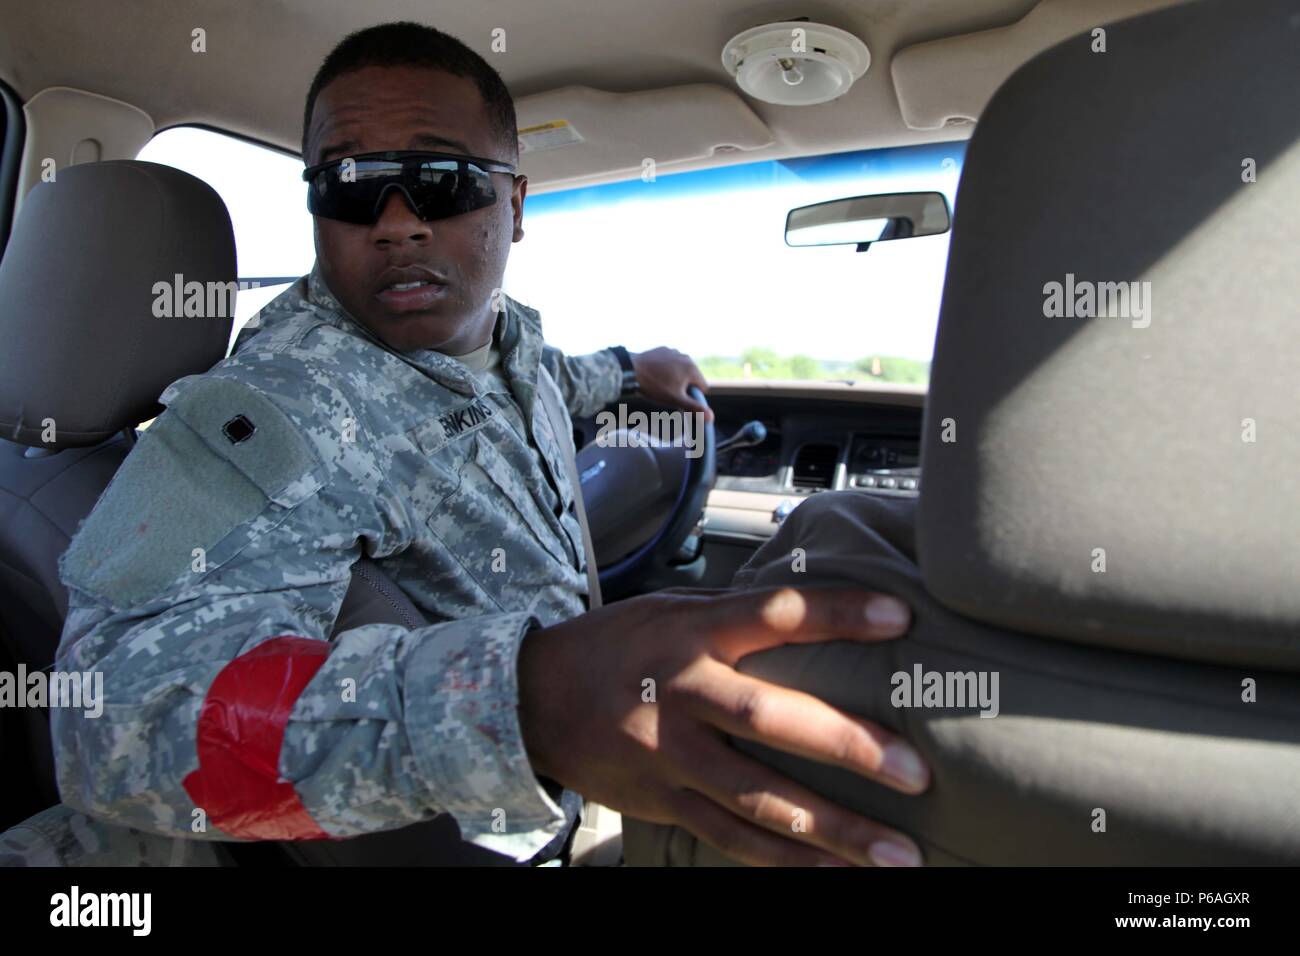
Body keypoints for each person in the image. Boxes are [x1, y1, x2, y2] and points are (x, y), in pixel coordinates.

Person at [49, 21, 929, 867]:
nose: (396, 222)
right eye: (350, 184)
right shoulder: (272, 402)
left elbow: (545, 376)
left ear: (514, 205)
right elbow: (113, 721)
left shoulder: (498, 337)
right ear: (318, 207)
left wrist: (634, 367)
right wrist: (522, 700)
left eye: (439, 180)